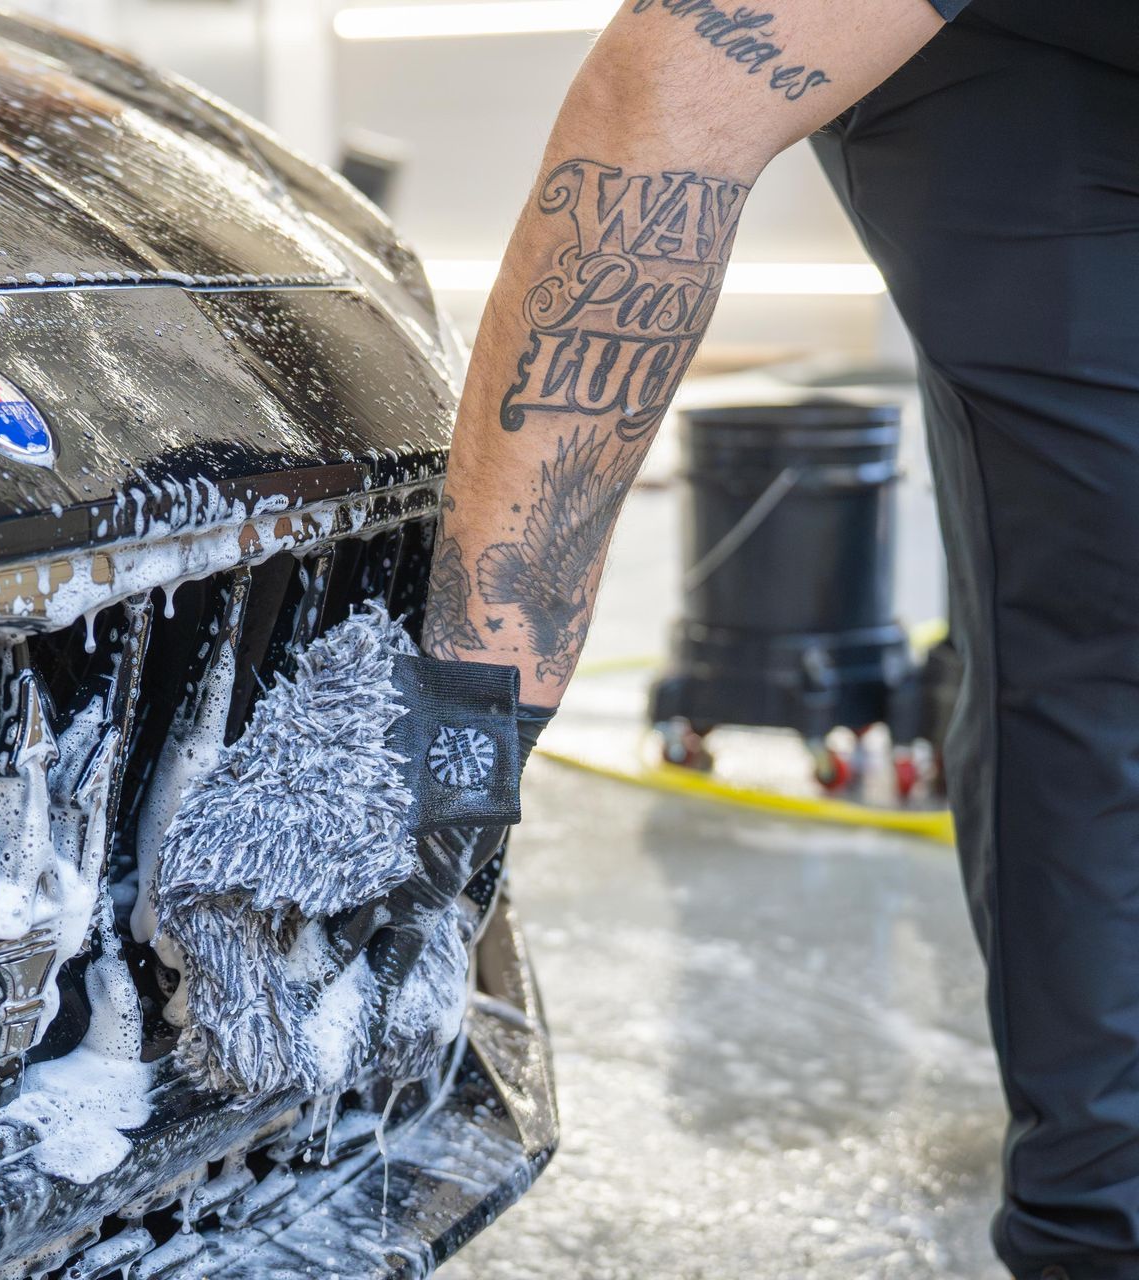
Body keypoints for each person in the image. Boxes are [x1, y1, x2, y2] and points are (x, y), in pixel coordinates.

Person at [414, 2, 1139, 1277]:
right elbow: (660, 120)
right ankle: (1107, 1217)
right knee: (1099, 609)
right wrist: (457, 752)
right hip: (1043, 75)